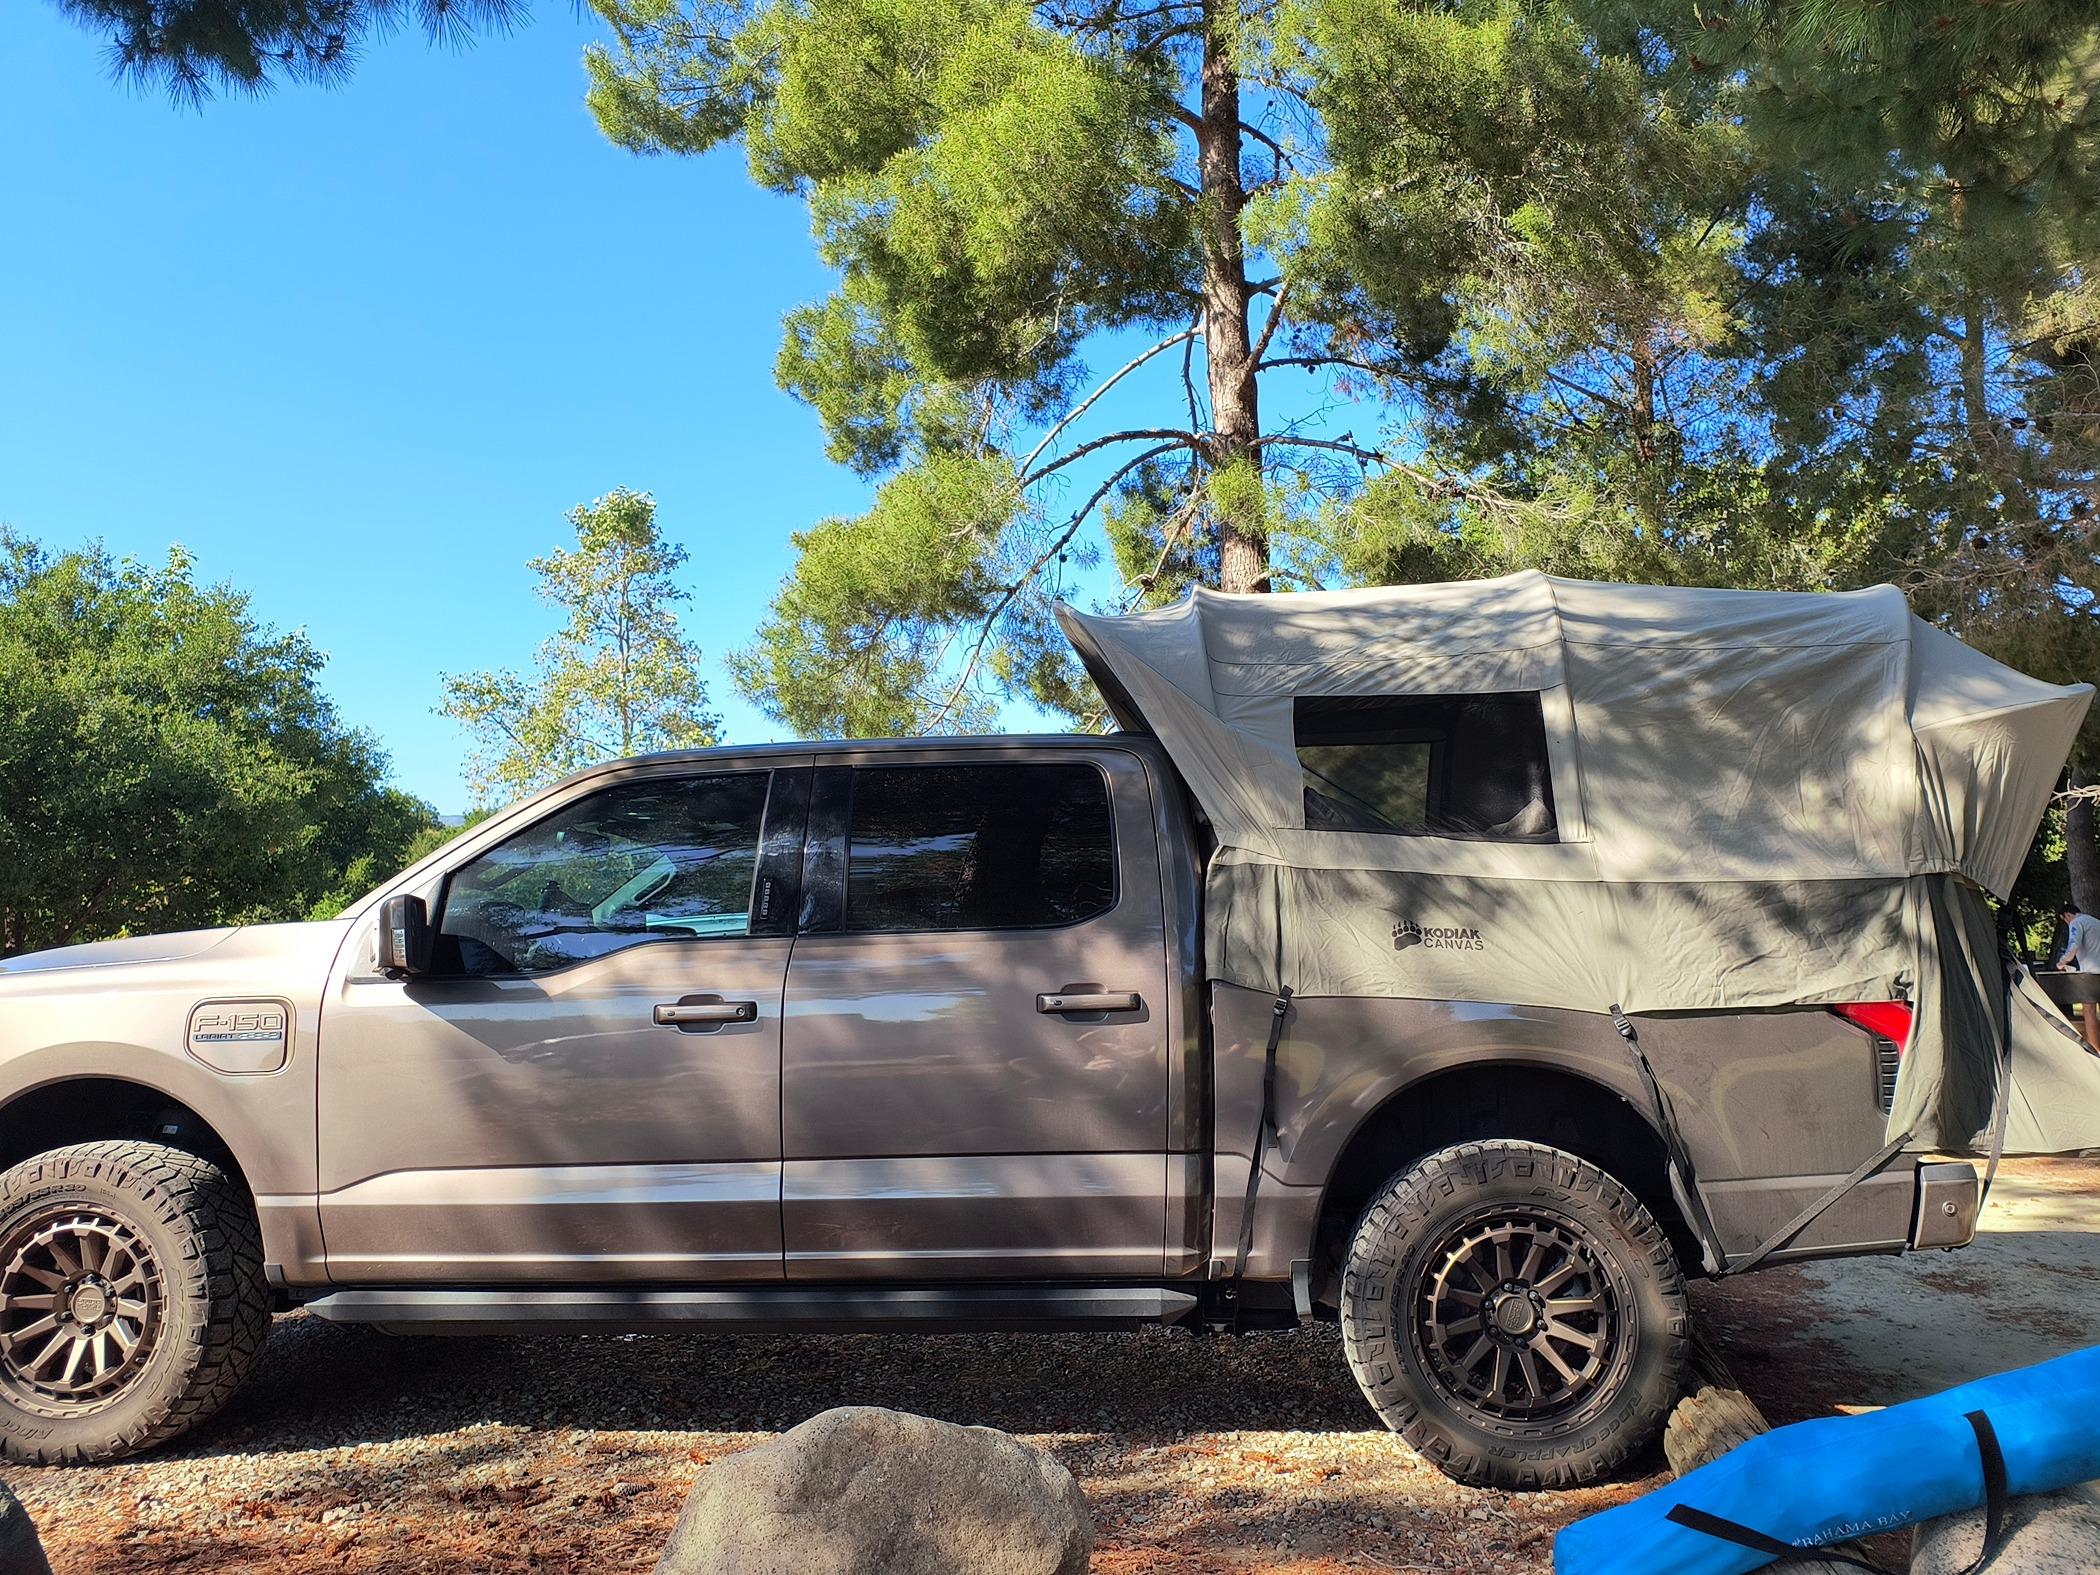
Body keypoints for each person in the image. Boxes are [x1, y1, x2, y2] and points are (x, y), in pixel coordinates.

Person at [2058, 904, 2100, 1052]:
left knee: (2089, 1011)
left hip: (2090, 975)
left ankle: (2095, 1049)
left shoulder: (2076, 923)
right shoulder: (2096, 922)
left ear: (2067, 916)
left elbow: (2073, 946)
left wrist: (2062, 962)